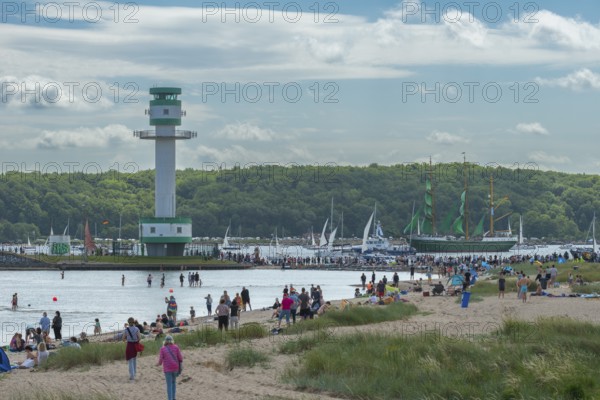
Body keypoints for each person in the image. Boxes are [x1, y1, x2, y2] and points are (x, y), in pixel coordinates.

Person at [157, 335, 183, 400]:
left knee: (169, 385)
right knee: (173, 382)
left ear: (165, 341)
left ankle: (170, 398)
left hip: (167, 369)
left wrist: (157, 364)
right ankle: (174, 398)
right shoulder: (176, 347)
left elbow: (160, 361)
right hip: (175, 368)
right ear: (172, 341)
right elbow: (180, 358)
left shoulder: (162, 349)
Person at [124, 316, 141, 381]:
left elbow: (123, 338)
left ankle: (132, 375)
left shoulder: (126, 330)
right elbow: (139, 338)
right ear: (133, 322)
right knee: (134, 359)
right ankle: (135, 373)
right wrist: (136, 341)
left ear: (128, 322)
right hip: (135, 345)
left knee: (130, 360)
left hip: (129, 345)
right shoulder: (137, 329)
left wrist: (127, 340)